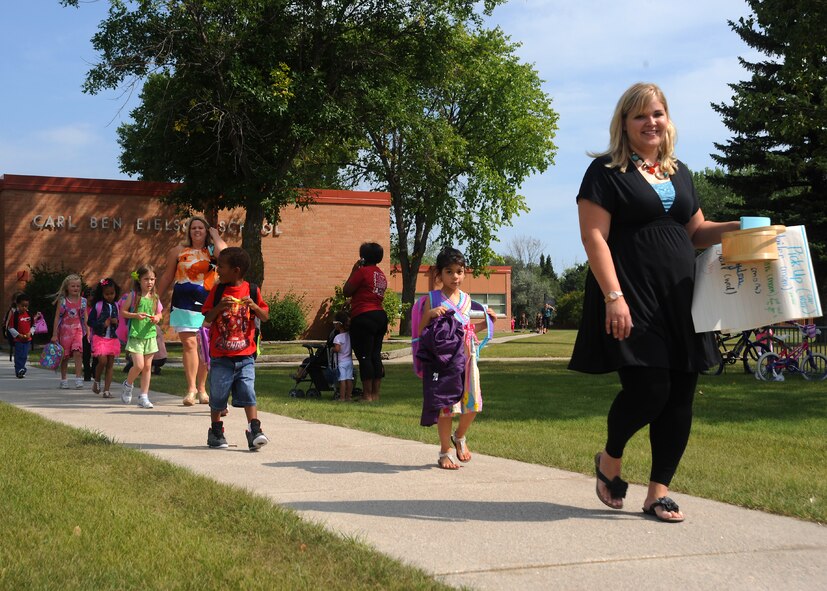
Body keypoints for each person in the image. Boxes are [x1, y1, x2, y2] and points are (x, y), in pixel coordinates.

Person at [568, 82, 738, 523]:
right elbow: (594, 238)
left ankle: (658, 492)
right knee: (649, 390)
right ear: (624, 123)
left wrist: (739, 227)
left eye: (658, 114)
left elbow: (696, 233)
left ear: (668, 120)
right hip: (631, 295)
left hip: (680, 298)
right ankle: (610, 459)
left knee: (681, 396)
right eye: (641, 115)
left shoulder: (678, 172)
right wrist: (614, 297)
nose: (651, 122)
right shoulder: (606, 172)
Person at [416, 247, 496, 470]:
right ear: (439, 274)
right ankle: (444, 451)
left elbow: (467, 328)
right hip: (444, 361)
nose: (455, 277)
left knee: (473, 403)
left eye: (459, 271)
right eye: (449, 272)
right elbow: (421, 331)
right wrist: (430, 315)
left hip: (468, 358)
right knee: (446, 406)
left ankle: (459, 436)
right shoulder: (432, 299)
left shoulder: (467, 300)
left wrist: (486, 323)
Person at [202, 247, 270, 450]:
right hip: (221, 356)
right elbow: (207, 319)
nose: (218, 271)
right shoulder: (218, 291)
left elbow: (265, 316)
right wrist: (219, 307)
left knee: (248, 391)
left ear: (236, 270)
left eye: (221, 267)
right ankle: (216, 431)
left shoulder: (252, 290)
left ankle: (254, 429)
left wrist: (255, 307)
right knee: (218, 395)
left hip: (245, 355)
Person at [156, 215, 227, 406]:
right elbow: (167, 277)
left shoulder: (212, 250)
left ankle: (203, 389)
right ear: (189, 231)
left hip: (208, 305)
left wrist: (215, 234)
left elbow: (227, 254)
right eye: (193, 228)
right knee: (189, 345)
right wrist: (154, 300)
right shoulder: (178, 251)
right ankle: (191, 390)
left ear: (206, 232)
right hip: (183, 304)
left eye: (201, 228)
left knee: (204, 347)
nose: (196, 230)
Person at [342, 242, 388, 403]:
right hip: (380, 316)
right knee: (375, 355)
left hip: (364, 317)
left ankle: (366, 395)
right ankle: (376, 394)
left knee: (364, 356)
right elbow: (369, 293)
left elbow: (346, 290)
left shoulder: (362, 272)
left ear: (363, 257)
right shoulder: (381, 274)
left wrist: (354, 270)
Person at [120, 265, 163, 409]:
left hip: (150, 336)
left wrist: (157, 317)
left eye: (152, 279)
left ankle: (144, 396)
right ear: (139, 280)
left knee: (147, 367)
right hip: (136, 335)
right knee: (139, 365)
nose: (149, 282)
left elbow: (160, 313)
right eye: (146, 279)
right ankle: (128, 384)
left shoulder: (155, 297)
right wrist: (135, 315)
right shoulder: (133, 295)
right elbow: (123, 312)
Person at [50, 274, 88, 389]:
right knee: (65, 356)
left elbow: (86, 318)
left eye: (78, 286)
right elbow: (57, 317)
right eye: (73, 286)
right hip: (64, 331)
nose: (76, 288)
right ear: (67, 287)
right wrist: (54, 334)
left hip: (78, 330)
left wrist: (89, 331)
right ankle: (64, 379)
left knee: (78, 353)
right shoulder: (62, 301)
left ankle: (78, 378)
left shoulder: (83, 301)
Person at [87, 277, 122, 399]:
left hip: (112, 338)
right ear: (102, 294)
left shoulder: (116, 306)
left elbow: (118, 322)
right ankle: (96, 381)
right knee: (102, 361)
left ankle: (107, 390)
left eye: (112, 293)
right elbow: (90, 322)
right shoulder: (98, 306)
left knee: (110, 364)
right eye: (107, 294)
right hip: (99, 337)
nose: (110, 296)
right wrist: (102, 324)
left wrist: (115, 322)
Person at [6, 292, 37, 378]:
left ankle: (21, 369)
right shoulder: (15, 315)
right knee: (19, 355)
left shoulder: (29, 315)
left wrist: (29, 333)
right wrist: (18, 335)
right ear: (18, 305)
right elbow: (10, 328)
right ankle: (19, 370)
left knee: (24, 355)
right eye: (22, 305)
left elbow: (34, 326)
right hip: (18, 340)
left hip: (27, 339)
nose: (24, 308)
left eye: (26, 306)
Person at [332, 311, 354, 402]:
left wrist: (332, 349)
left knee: (342, 380)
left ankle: (342, 397)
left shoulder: (338, 337)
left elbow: (337, 349)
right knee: (349, 379)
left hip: (342, 362)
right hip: (349, 360)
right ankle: (349, 397)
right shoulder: (349, 335)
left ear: (338, 325)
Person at [4, 292, 22, 362]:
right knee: (17, 343)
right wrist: (6, 329)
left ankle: (19, 356)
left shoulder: (24, 309)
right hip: (13, 330)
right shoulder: (12, 310)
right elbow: (8, 321)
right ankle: (17, 356)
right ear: (14, 301)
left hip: (22, 330)